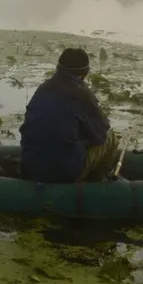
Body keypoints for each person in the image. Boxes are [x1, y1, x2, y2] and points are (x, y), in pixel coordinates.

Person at [19, 47, 122, 183]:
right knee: (111, 138)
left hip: (29, 167)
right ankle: (96, 184)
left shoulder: (43, 88)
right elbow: (100, 135)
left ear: (58, 68)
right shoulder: (82, 95)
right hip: (65, 171)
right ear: (85, 72)